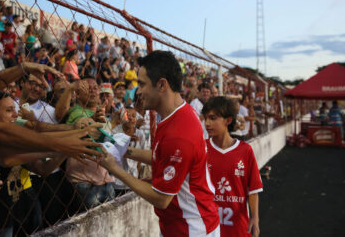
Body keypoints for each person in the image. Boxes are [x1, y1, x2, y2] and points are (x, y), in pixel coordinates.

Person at [95, 51, 220, 236]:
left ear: (162, 85)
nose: (138, 91)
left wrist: (114, 168)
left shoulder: (178, 133)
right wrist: (125, 151)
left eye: (142, 84)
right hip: (183, 224)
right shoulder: (178, 114)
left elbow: (161, 199)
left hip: (192, 229)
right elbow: (163, 156)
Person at [202, 96, 263, 237]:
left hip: (238, 228)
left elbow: (253, 188)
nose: (207, 123)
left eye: (213, 118)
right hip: (208, 228)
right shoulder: (201, 149)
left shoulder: (245, 150)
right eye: (205, 118)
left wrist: (255, 218)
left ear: (228, 121)